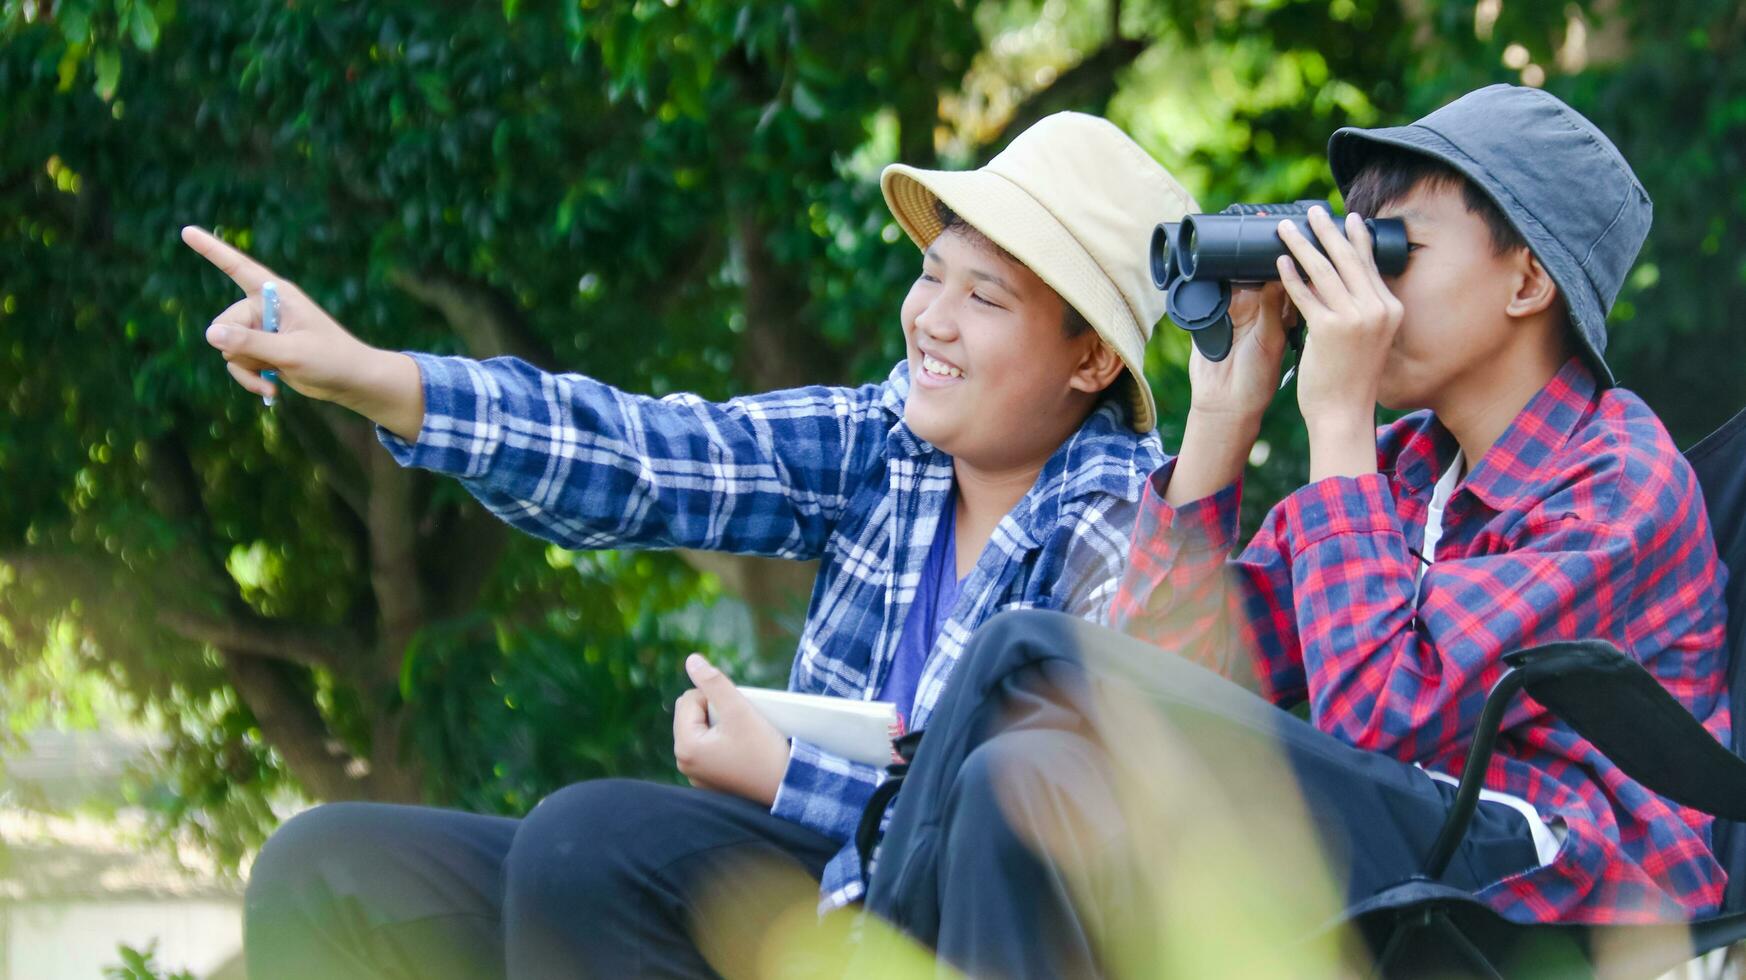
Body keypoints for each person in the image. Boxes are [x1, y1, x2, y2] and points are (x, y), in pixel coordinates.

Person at [184, 111, 1198, 977]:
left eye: (985, 298)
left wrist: (788, 774)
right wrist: (370, 374)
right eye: (932, 275)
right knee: (327, 865)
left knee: (589, 844)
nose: (931, 318)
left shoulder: (1118, 527)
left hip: (901, 938)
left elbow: (1014, 854)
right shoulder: (888, 446)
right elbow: (649, 455)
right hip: (783, 892)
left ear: (1093, 355)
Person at [863, 84, 1729, 977]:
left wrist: (1339, 422)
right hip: (1425, 832)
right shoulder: (1407, 470)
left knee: (1025, 649)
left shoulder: (1617, 477)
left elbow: (1379, 714)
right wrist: (1224, 419)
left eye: (1394, 253)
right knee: (1018, 780)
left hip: (1566, 878)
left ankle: (866, 950)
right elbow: (1167, 671)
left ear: (1528, 279)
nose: (1361, 289)